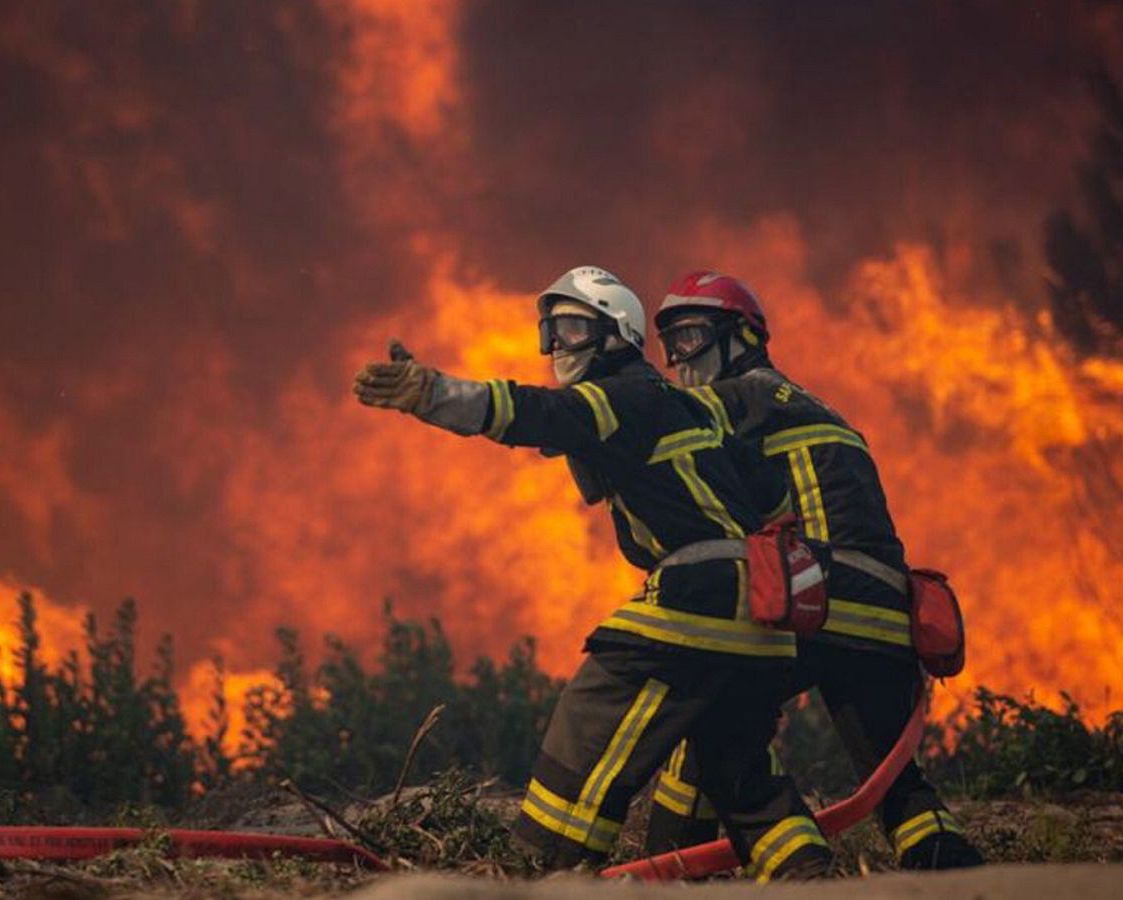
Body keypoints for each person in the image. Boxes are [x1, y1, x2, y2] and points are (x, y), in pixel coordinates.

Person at [353, 266, 832, 879]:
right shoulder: (685, 405)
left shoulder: (621, 393)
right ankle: (809, 876)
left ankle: (544, 870)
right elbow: (768, 497)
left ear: (618, 335)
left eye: (575, 328)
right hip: (762, 613)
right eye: (550, 331)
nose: (557, 347)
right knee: (733, 764)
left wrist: (430, 393)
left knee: (590, 713)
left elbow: (534, 413)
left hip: (701, 592)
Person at [643, 270, 984, 869]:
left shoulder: (737, 397)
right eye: (670, 346)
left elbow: (654, 421)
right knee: (891, 769)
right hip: (884, 612)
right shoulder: (815, 406)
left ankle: (777, 858)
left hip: (817, 601)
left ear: (742, 338)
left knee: (713, 715)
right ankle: (941, 857)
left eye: (692, 337)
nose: (679, 359)